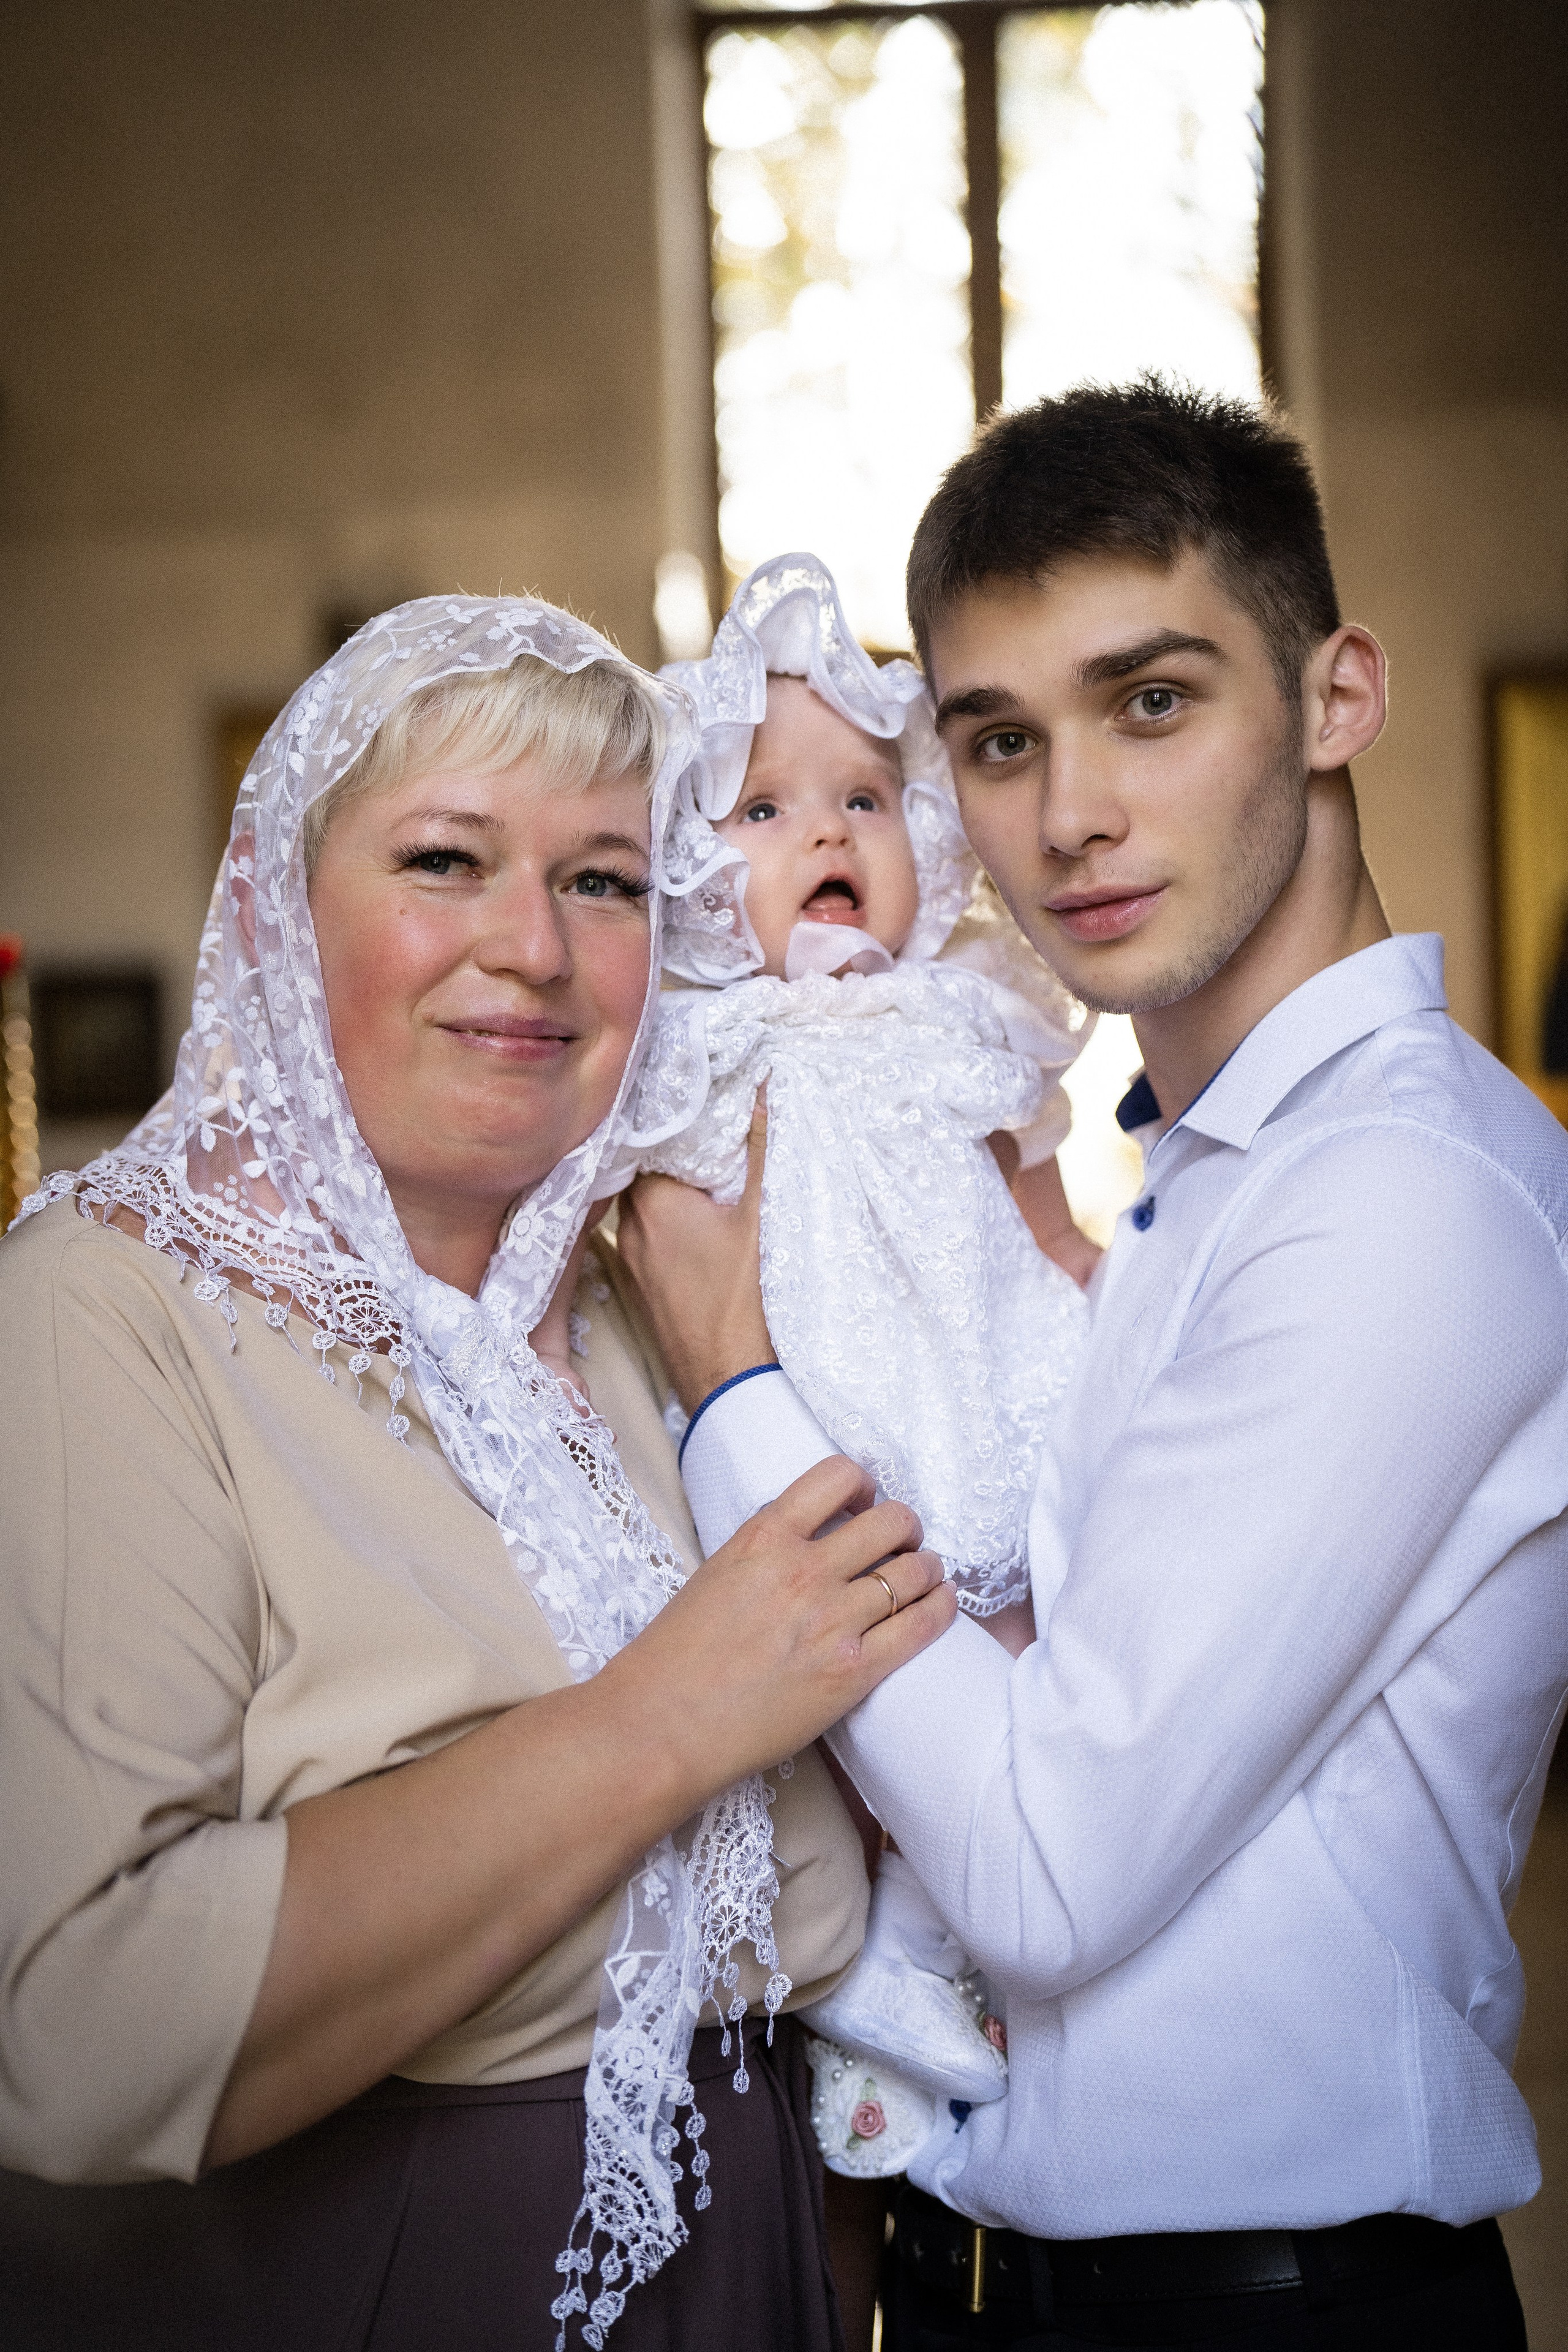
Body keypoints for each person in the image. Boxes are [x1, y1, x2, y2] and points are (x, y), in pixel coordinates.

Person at [618, 382, 1568, 2349]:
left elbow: (1047, 1865)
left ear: (1336, 698)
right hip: (997, 2283)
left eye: (1153, 700)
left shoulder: (1405, 1195)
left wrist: (734, 1391)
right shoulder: (1161, 1195)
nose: (1069, 816)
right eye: (996, 739)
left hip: (1264, 2310)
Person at [0, 595, 954, 2352]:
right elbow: (77, 2032)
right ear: (284, 918)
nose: (533, 946)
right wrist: (669, 1715)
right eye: (447, 860)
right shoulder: (106, 1307)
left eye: (600, 882)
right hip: (386, 2281)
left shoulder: (641, 1290)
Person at [620, 556, 1093, 2176]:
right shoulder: (701, 1044)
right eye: (764, 813)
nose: (827, 833)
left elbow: (1049, 1219)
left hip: (992, 1393)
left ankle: (988, 1981)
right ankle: (879, 1994)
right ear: (691, 870)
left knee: (1020, 1692)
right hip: (817, 1423)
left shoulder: (969, 1015)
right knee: (845, 1755)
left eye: (865, 801)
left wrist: (1114, 1292)